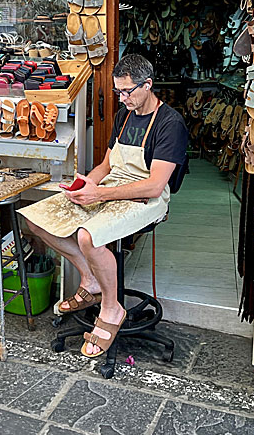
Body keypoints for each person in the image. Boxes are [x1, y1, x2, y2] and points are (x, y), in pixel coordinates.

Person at [19, 54, 188, 357]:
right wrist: (87, 184)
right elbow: (108, 164)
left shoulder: (169, 123)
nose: (122, 98)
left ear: (147, 85)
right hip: (112, 188)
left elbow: (155, 185)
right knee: (37, 219)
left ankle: (111, 308)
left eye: (128, 91)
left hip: (147, 198)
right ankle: (92, 278)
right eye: (118, 92)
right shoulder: (124, 115)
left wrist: (99, 196)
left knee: (87, 236)